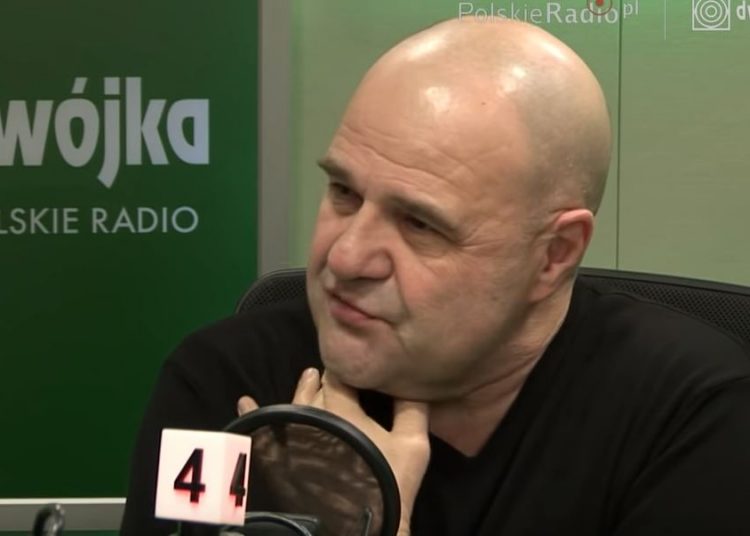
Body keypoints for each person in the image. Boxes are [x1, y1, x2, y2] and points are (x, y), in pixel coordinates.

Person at [121, 17, 750, 536]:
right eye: (343, 192)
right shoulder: (229, 387)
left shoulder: (691, 418)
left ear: (554, 254)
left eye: (419, 224)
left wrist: (374, 524)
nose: (346, 258)